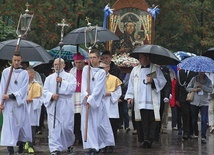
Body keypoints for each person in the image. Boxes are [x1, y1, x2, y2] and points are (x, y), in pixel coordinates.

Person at [125, 53, 166, 148]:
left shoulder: (155, 69)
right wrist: (130, 97)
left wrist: (153, 81)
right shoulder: (135, 70)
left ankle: (150, 139)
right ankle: (144, 139)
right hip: (140, 100)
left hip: (152, 101)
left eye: (141, 57)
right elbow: (131, 84)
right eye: (139, 58)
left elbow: (162, 82)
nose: (139, 60)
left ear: (147, 58)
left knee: (152, 121)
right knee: (142, 121)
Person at [81, 49, 115, 155]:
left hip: (96, 103)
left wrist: (90, 99)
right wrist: (85, 95)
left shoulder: (101, 72)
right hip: (87, 101)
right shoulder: (86, 69)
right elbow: (84, 84)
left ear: (98, 58)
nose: (92, 60)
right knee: (87, 125)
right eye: (90, 58)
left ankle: (99, 146)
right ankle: (91, 146)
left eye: (94, 57)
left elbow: (98, 89)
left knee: (97, 125)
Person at [0, 51, 32, 154]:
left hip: (19, 104)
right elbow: (2, 87)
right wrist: (1, 102)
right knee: (9, 126)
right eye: (15, 60)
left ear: (21, 60)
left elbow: (23, 90)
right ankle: (10, 149)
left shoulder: (24, 74)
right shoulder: (6, 72)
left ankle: (20, 146)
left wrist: (10, 95)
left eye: (18, 60)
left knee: (19, 125)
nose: (16, 62)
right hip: (8, 105)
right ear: (12, 60)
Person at [43, 58, 77, 155]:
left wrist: (62, 82)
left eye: (59, 64)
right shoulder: (49, 78)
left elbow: (72, 88)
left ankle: (69, 144)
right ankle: (54, 148)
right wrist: (52, 96)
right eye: (55, 64)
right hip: (54, 103)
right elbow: (44, 92)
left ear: (64, 65)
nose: (57, 66)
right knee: (54, 128)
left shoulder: (70, 77)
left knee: (67, 127)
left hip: (66, 104)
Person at [100, 61, 122, 153]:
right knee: (101, 127)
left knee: (112, 127)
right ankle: (103, 145)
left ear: (108, 68)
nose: (101, 70)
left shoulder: (114, 79)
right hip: (100, 105)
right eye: (99, 68)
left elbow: (118, 93)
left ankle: (111, 145)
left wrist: (110, 94)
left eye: (103, 68)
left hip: (110, 105)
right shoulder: (95, 78)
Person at [186, 72, 212, 144]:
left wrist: (202, 86)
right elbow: (188, 88)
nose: (201, 72)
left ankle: (203, 136)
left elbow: (210, 90)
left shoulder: (208, 81)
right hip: (194, 102)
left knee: (204, 119)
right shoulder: (194, 79)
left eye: (202, 71)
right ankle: (196, 133)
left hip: (204, 103)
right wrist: (194, 89)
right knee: (194, 119)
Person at [24, 67, 43, 153]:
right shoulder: (22, 85)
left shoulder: (37, 85)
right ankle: (24, 143)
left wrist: (32, 100)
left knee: (31, 128)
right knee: (23, 127)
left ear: (32, 75)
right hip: (23, 108)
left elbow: (41, 100)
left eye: (28, 74)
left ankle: (31, 145)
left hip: (32, 108)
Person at [175, 69, 197, 140]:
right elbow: (177, 85)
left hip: (192, 96)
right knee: (185, 115)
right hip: (182, 97)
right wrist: (177, 98)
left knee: (191, 115)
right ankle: (185, 132)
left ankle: (191, 132)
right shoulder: (180, 72)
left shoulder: (194, 72)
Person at [70, 53, 85, 144]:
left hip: (83, 95)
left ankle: (83, 135)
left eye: (80, 62)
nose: (78, 64)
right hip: (74, 96)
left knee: (82, 116)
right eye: (76, 62)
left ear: (83, 62)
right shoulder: (72, 71)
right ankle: (76, 135)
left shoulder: (87, 70)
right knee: (75, 117)